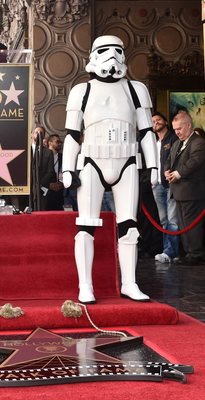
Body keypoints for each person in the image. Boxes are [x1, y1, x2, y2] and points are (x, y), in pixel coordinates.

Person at [61, 35, 159, 303]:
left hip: (127, 160)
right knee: (86, 225)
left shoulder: (136, 89)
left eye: (118, 50)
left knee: (129, 226)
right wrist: (68, 169)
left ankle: (129, 282)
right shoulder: (82, 91)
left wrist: (153, 165)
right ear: (93, 55)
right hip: (92, 160)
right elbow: (71, 133)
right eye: (104, 50)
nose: (112, 56)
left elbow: (147, 131)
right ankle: (86, 285)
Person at [164, 111, 205, 266]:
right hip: (178, 190)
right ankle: (189, 252)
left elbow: (194, 162)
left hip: (193, 191)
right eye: (175, 129)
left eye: (180, 129)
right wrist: (167, 171)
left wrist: (177, 173)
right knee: (183, 224)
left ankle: (197, 253)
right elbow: (169, 159)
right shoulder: (176, 143)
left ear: (189, 125)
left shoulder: (199, 142)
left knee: (192, 224)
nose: (177, 132)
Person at [151, 112, 180, 263]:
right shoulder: (153, 141)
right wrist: (152, 181)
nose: (156, 123)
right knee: (163, 220)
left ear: (166, 122)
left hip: (170, 184)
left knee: (172, 220)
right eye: (153, 121)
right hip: (157, 185)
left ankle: (171, 251)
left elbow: (175, 159)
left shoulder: (173, 138)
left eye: (158, 120)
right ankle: (167, 250)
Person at [41, 134, 64, 211]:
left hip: (60, 192)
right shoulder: (42, 157)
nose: (60, 144)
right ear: (50, 143)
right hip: (46, 191)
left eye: (60, 142)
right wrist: (48, 185)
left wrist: (62, 183)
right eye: (57, 142)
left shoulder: (63, 157)